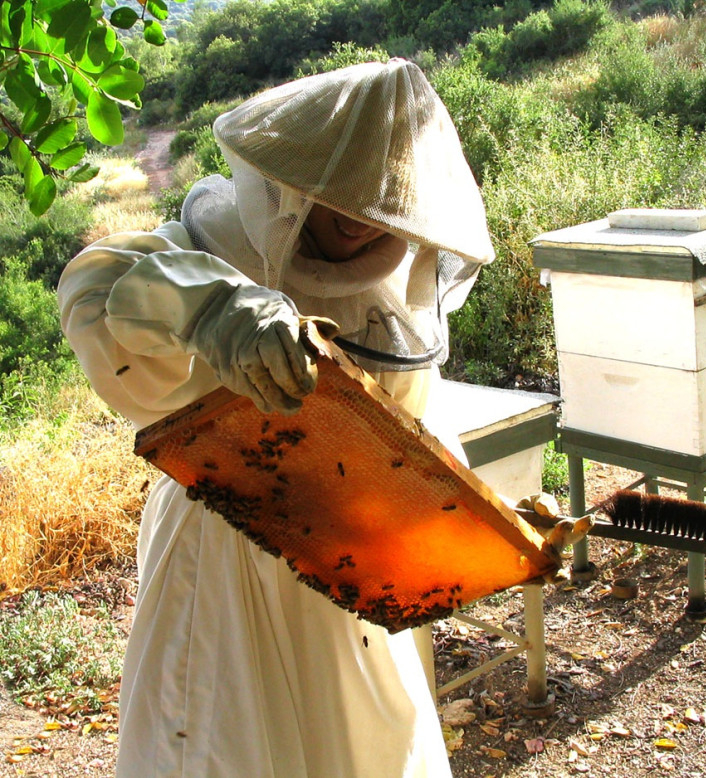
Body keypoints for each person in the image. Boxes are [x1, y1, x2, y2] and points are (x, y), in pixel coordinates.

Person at [57, 59, 494, 777]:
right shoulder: (213, 242)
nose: (361, 219)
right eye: (345, 192)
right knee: (219, 744)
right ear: (300, 180)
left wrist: (480, 518)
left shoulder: (391, 305)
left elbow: (414, 440)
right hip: (219, 551)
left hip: (348, 562)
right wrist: (214, 306)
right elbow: (95, 289)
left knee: (359, 749)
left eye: (383, 201)